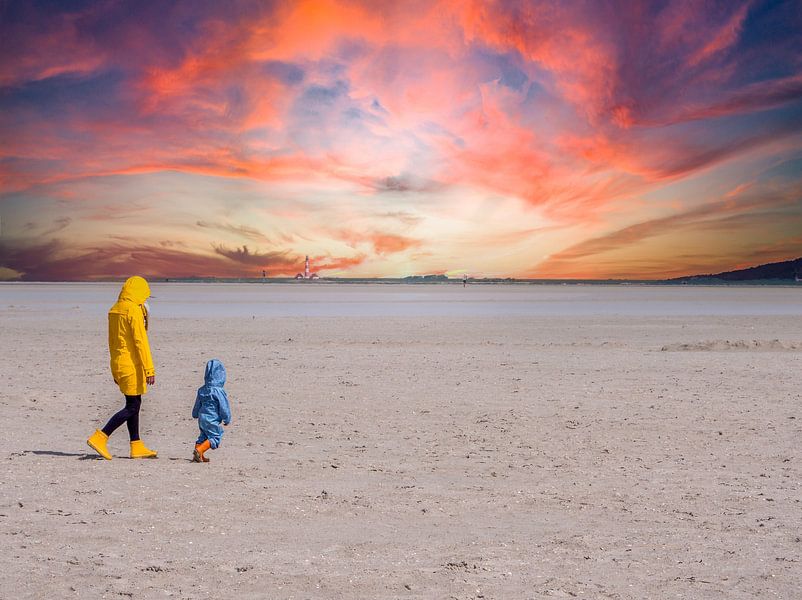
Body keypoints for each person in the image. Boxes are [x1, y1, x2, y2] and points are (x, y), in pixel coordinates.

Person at [87, 276, 158, 460]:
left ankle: (136, 445)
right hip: (132, 365)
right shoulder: (132, 310)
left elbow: (111, 342)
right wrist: (149, 369)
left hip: (118, 363)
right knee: (133, 406)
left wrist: (113, 367)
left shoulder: (114, 309)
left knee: (133, 403)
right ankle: (100, 437)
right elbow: (141, 342)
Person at [192, 359, 231, 463]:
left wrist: (195, 414)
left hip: (202, 417)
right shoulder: (219, 391)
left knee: (203, 436)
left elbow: (197, 403)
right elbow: (224, 406)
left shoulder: (202, 389)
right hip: (212, 418)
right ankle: (199, 450)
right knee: (215, 436)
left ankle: (199, 454)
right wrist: (227, 418)